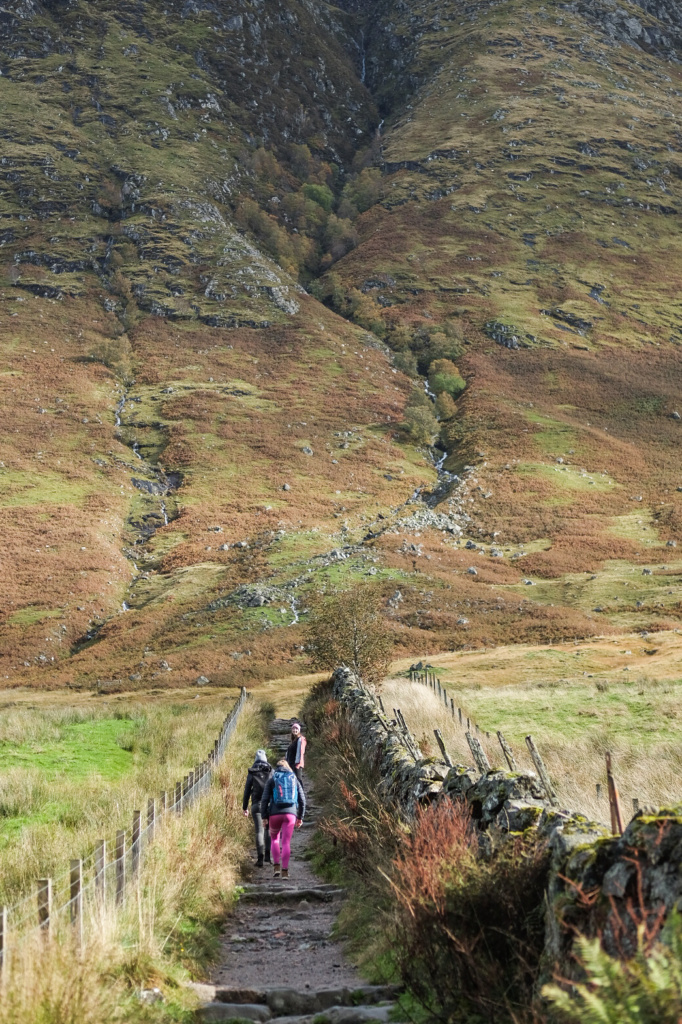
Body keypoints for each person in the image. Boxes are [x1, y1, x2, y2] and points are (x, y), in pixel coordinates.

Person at [260, 759, 305, 879]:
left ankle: (276, 867)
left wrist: (264, 817)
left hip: (274, 814)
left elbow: (264, 800)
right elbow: (302, 800)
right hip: (290, 814)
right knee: (286, 842)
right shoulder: (294, 779)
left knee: (275, 840)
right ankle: (285, 871)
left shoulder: (272, 779)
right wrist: (300, 817)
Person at [242, 749, 273, 868]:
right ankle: (267, 856)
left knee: (259, 831)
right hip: (269, 805)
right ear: (265, 758)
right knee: (268, 830)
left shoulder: (252, 772)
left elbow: (246, 791)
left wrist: (245, 807)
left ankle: (259, 859)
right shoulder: (271, 771)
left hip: (256, 805)